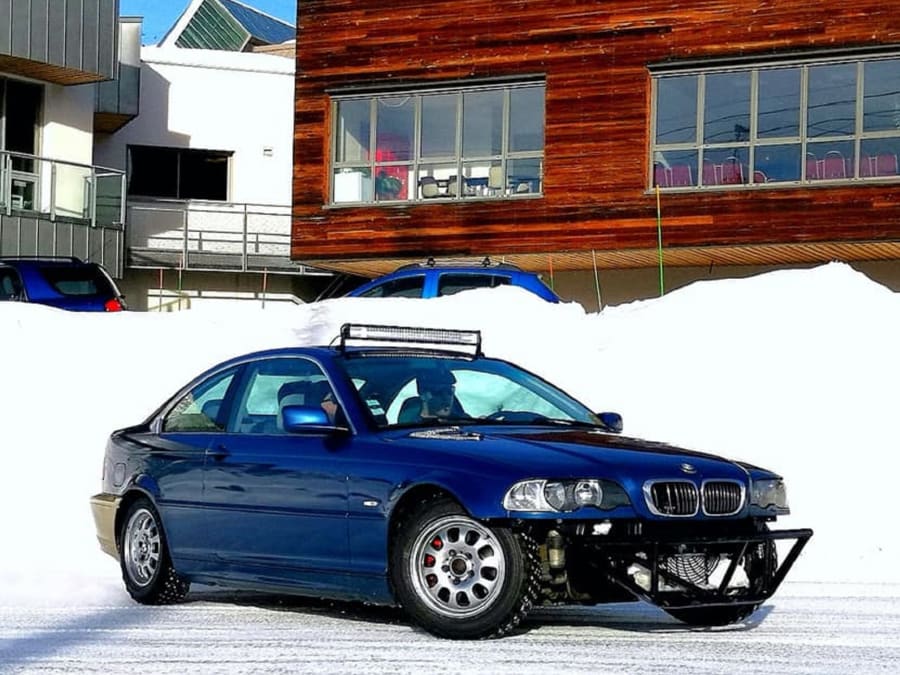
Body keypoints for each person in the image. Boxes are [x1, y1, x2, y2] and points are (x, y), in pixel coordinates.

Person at [398, 367, 466, 423]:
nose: (446, 397)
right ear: (423, 394)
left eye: (450, 391)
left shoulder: (465, 426)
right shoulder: (406, 427)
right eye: (439, 392)